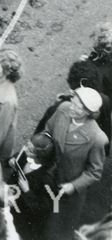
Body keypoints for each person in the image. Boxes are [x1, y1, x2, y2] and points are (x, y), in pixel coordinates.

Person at [42, 87, 108, 240]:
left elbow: (94, 172)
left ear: (88, 112)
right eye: (73, 102)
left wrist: (72, 186)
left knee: (53, 232)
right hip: (48, 174)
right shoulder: (63, 109)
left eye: (78, 107)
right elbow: (48, 130)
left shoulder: (97, 138)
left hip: (67, 190)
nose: (72, 107)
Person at [35, 59, 111, 154]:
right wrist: (105, 150)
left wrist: (56, 105)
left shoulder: (63, 107)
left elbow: (41, 133)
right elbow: (106, 127)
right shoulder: (104, 100)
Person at [7, 132, 56, 239]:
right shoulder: (25, 155)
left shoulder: (46, 179)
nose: (24, 150)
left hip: (24, 219)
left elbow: (43, 210)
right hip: (11, 204)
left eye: (29, 150)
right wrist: (10, 161)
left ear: (39, 156)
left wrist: (27, 191)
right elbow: (14, 158)